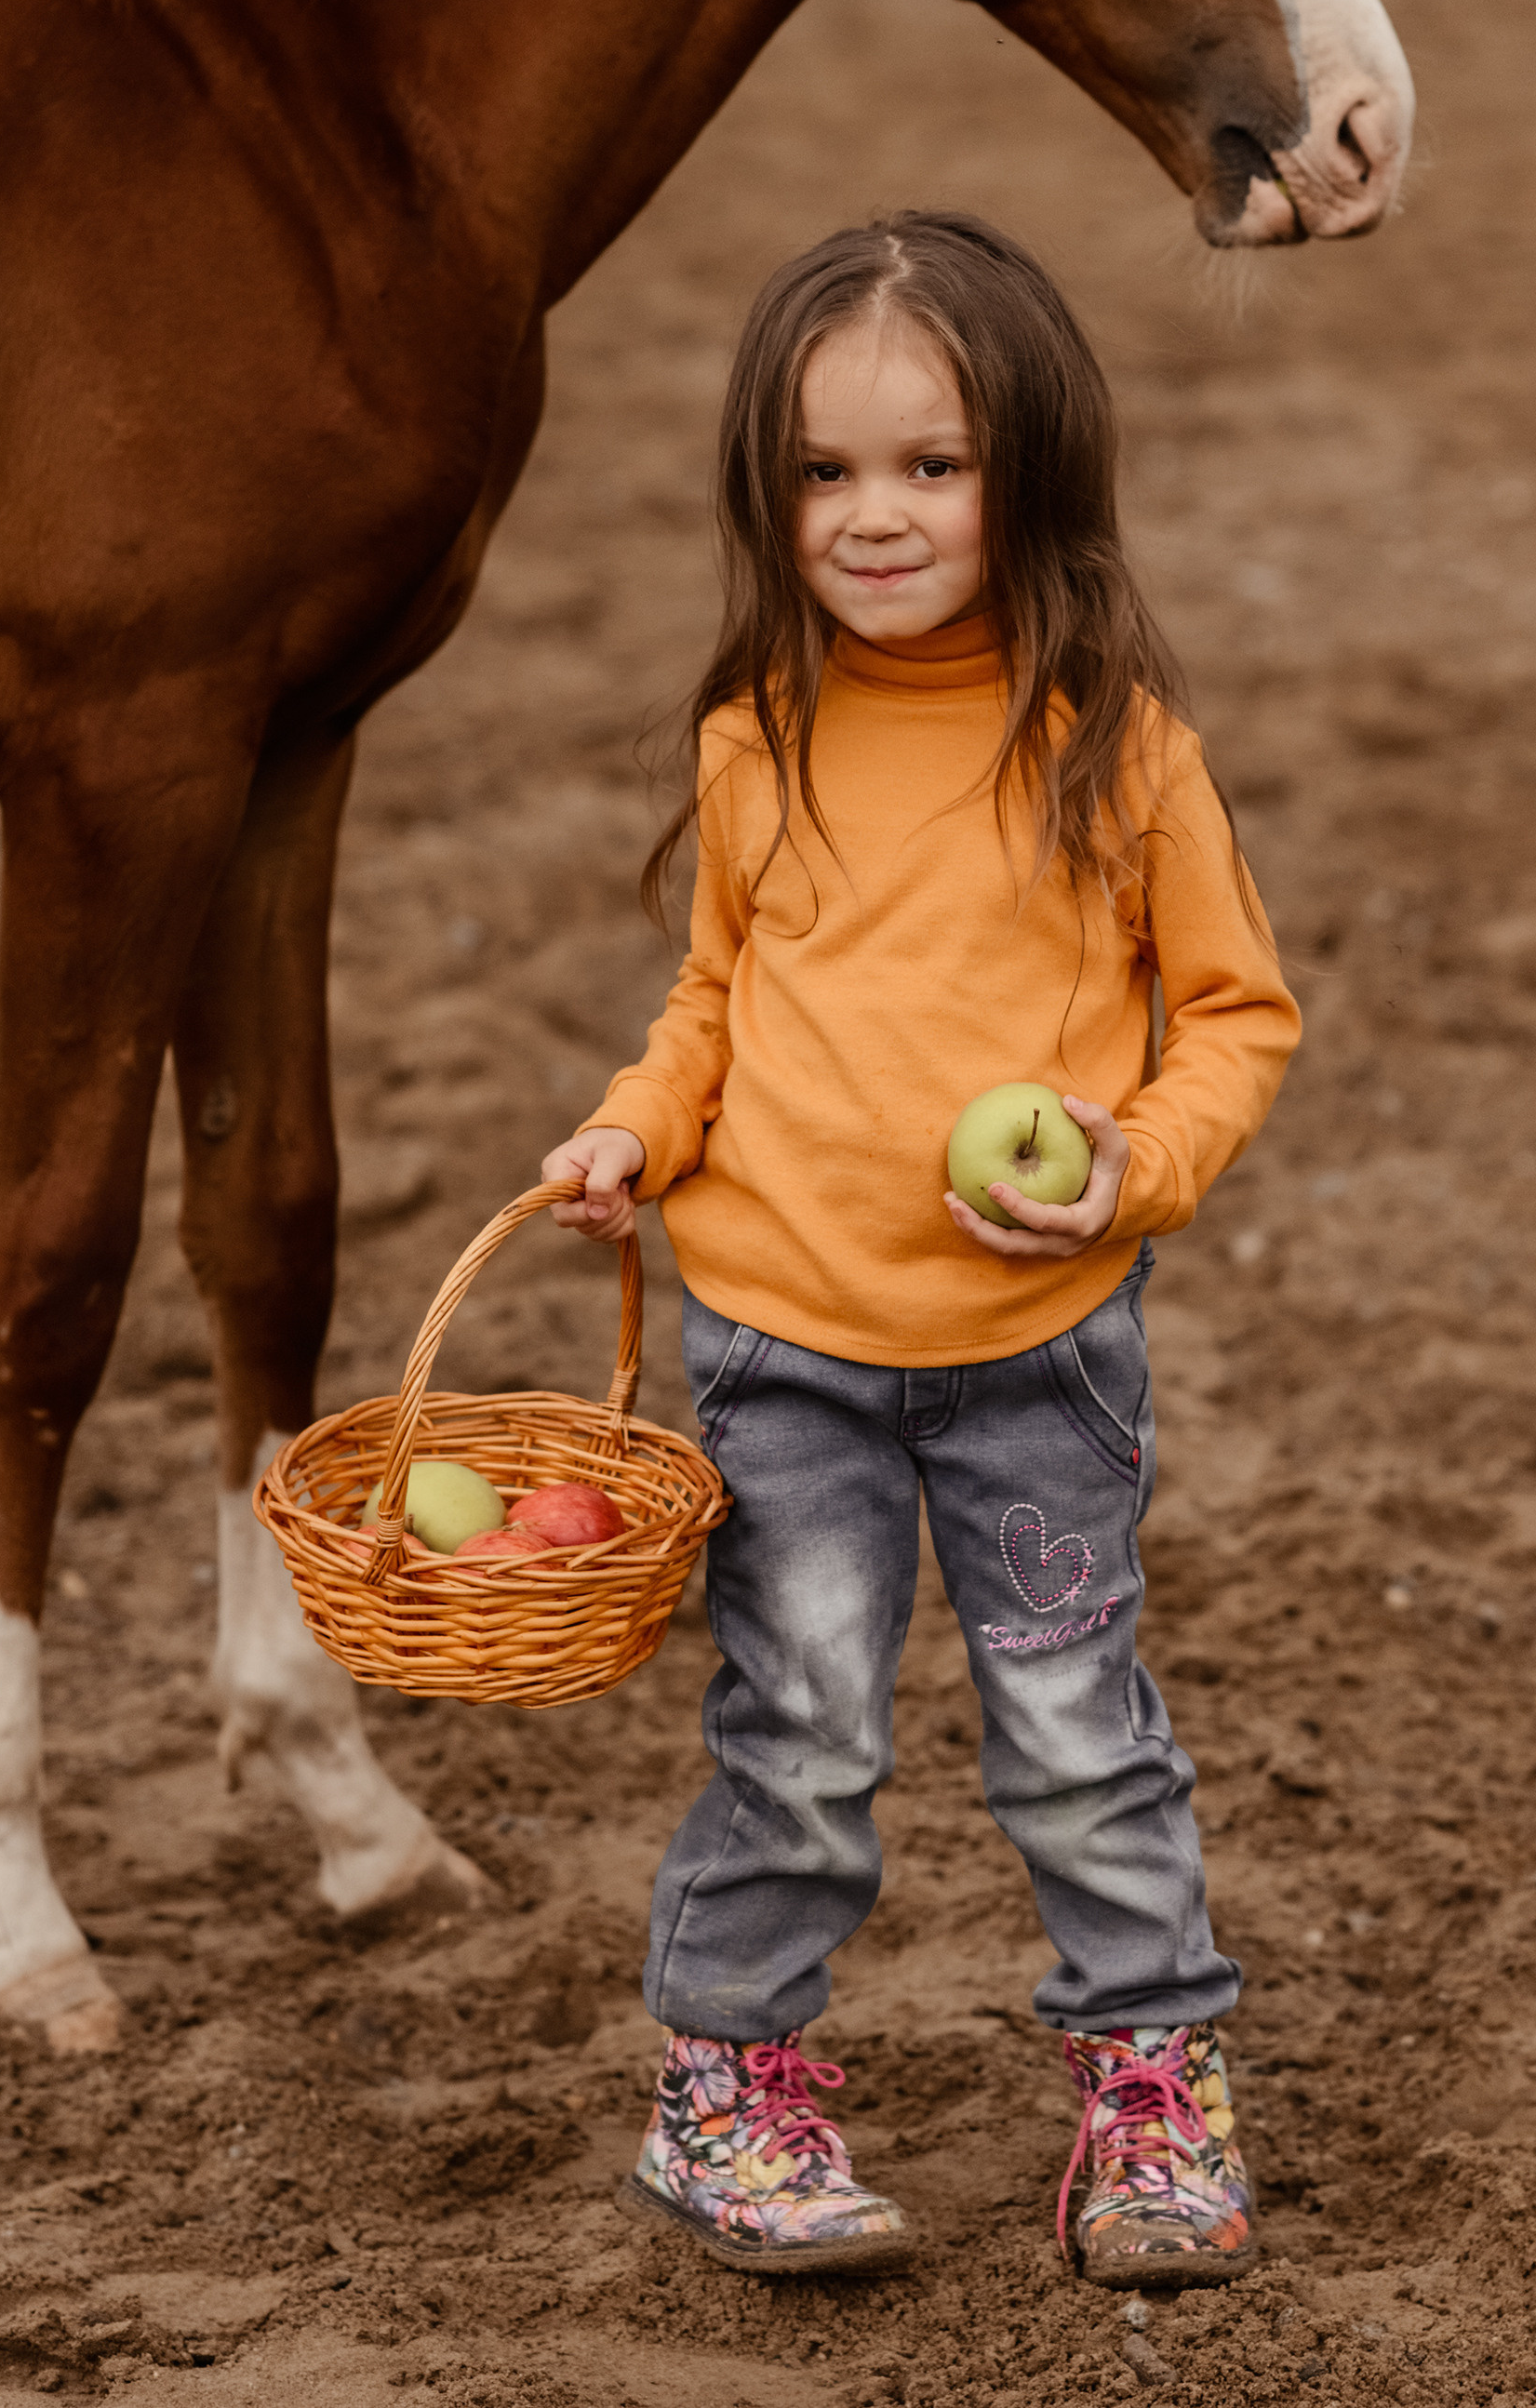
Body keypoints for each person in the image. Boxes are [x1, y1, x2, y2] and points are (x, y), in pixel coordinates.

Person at [540, 210, 1300, 2285]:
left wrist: (1127, 1169)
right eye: (821, 471)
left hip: (1036, 1346)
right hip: (779, 1345)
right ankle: (726, 2089)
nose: (871, 515)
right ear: (763, 493)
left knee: (1074, 1730)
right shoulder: (751, 739)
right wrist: (635, 1119)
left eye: (929, 464)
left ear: (1029, 467)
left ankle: (1149, 2086)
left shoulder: (1112, 742)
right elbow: (710, 997)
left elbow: (1234, 1013)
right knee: (797, 1735)